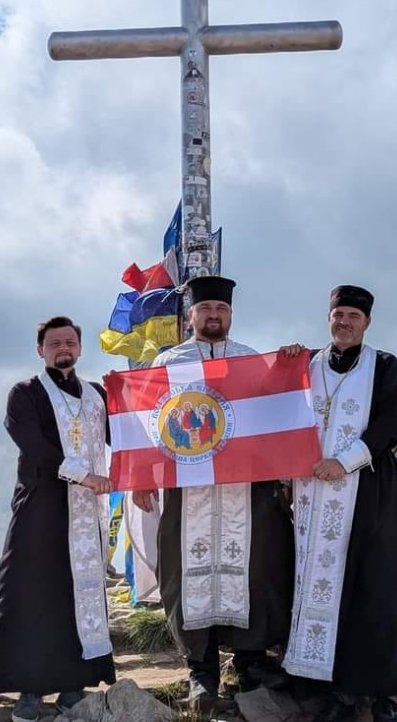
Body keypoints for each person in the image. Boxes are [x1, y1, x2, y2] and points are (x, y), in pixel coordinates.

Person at [133, 276, 294, 712]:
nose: (213, 316)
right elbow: (147, 421)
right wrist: (142, 474)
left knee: (255, 569)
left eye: (220, 310)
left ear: (230, 314)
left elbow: (276, 411)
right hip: (191, 489)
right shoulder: (170, 361)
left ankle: (250, 661)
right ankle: (200, 670)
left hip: (247, 486)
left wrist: (289, 364)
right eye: (205, 310)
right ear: (191, 316)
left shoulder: (251, 360)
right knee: (187, 573)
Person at [280, 285, 397, 722]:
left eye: (353, 316)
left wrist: (345, 461)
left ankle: (379, 693)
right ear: (329, 317)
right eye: (338, 315)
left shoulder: (384, 366)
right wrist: (283, 364)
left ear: (367, 323)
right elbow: (279, 409)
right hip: (311, 499)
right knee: (316, 586)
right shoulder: (307, 363)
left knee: (376, 590)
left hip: (369, 492)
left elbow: (392, 423)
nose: (345, 322)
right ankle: (328, 687)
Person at [0, 317, 115, 722]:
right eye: (54, 343)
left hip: (86, 512)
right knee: (29, 594)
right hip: (40, 507)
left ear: (80, 349)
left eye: (70, 342)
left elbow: (130, 433)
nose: (63, 348)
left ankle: (73, 684)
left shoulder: (97, 396)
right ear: (41, 350)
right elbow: (34, 445)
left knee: (78, 594)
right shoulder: (25, 393)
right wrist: (83, 475)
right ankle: (29, 691)